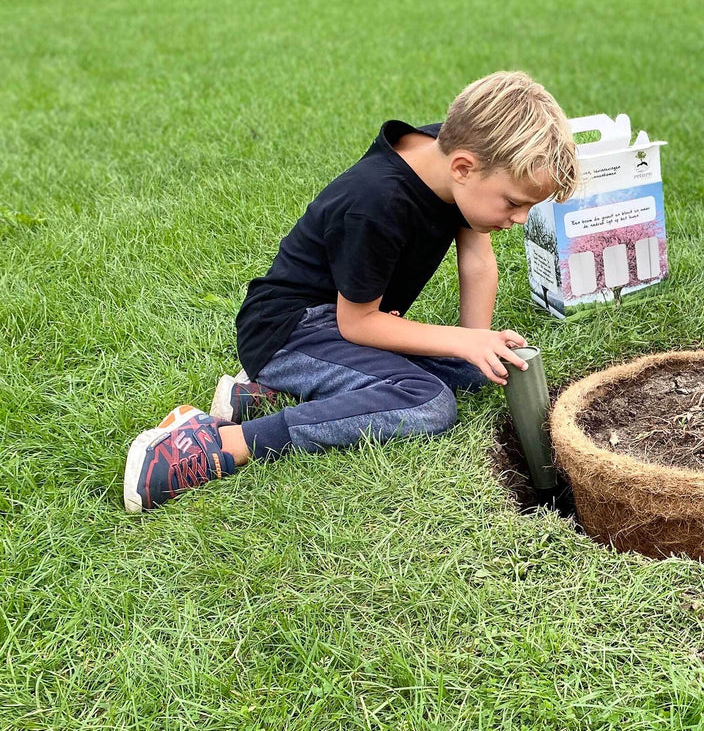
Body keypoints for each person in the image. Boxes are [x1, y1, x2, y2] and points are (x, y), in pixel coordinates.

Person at [124, 71, 578, 513]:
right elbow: (356, 322)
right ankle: (221, 442)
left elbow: (476, 259)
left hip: (349, 321)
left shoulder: (457, 158)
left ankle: (270, 393)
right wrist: (463, 342)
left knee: (475, 372)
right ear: (463, 167)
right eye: (515, 203)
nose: (520, 218)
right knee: (428, 403)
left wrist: (476, 346)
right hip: (289, 331)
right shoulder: (377, 201)